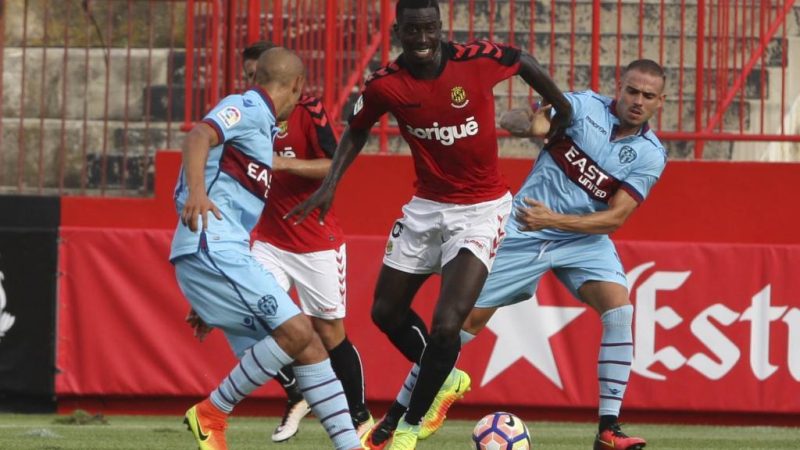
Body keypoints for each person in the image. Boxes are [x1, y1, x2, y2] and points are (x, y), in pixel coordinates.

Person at [287, 1, 572, 448]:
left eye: (429, 29)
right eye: (412, 30)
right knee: (385, 313)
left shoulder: (475, 60)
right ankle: (445, 376)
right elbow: (357, 129)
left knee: (446, 325)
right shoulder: (385, 84)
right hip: (426, 207)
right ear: (398, 31)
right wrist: (331, 183)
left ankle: (408, 426)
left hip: (482, 210)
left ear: (440, 28)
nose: (422, 39)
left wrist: (563, 110)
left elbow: (524, 62)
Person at [461, 59, 668, 450]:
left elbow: (615, 218)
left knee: (619, 310)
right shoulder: (582, 107)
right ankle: (405, 413)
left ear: (661, 101)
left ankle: (609, 431)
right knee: (462, 323)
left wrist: (554, 220)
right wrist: (527, 122)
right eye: (632, 91)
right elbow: (523, 120)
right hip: (525, 226)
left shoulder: (650, 154)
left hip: (581, 238)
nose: (638, 101)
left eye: (648, 95)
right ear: (619, 87)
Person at [170, 47, 362, 450]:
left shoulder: (262, 127)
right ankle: (212, 411)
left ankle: (350, 446)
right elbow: (198, 135)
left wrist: (214, 294)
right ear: (297, 85)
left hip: (224, 257)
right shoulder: (248, 108)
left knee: (309, 345)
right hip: (212, 245)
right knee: (297, 331)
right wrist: (198, 194)